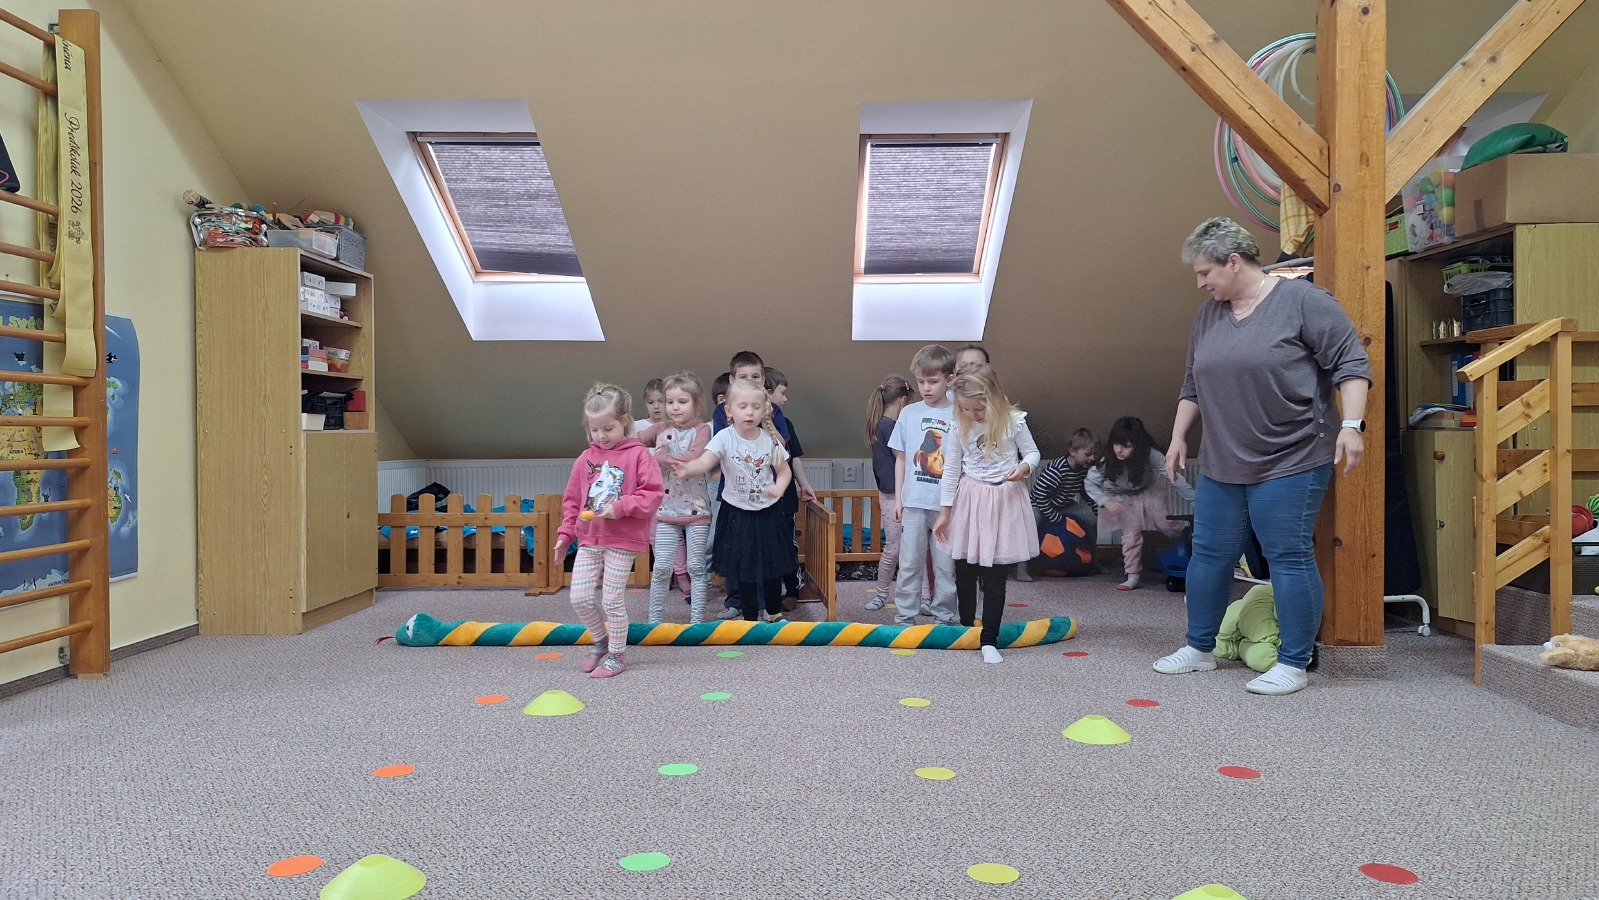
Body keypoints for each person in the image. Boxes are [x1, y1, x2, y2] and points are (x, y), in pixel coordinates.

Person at [1155, 216, 1371, 696]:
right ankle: (1199, 649)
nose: (1200, 283)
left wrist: (1351, 426)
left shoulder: (1305, 302)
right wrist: (1177, 438)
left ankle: (1293, 662)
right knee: (1209, 555)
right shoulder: (1208, 315)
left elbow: (1351, 363)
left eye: (1205, 272)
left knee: (1287, 555)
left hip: (1292, 456)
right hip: (1222, 460)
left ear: (1234, 262)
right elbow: (1193, 383)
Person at [552, 383, 665, 679]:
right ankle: (601, 643)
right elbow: (573, 501)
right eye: (594, 430)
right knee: (579, 597)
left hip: (622, 540)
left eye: (608, 428)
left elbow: (652, 494)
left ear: (624, 421)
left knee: (612, 600)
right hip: (590, 539)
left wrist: (622, 507)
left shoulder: (639, 456)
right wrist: (565, 535)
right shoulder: (584, 459)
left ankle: (617, 656)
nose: (600, 436)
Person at [932, 365, 1039, 664]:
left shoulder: (1013, 421)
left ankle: (989, 639)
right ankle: (968, 627)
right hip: (970, 499)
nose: (972, 415)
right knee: (965, 568)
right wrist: (944, 513)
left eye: (978, 409)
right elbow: (951, 471)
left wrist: (1024, 467)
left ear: (992, 399)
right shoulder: (959, 425)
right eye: (965, 409)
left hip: (1003, 499)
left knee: (994, 574)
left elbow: (1032, 453)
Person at [673, 378, 797, 623]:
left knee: (772, 566)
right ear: (729, 411)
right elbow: (705, 461)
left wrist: (779, 487)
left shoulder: (769, 439)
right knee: (744, 569)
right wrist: (688, 468)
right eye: (743, 406)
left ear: (764, 410)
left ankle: (773, 612)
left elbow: (784, 471)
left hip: (767, 512)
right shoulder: (724, 438)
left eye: (755, 407)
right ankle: (750, 618)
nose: (749, 412)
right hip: (737, 512)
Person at [888, 345, 960, 627]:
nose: (926, 388)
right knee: (909, 563)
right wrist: (898, 499)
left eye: (933, 381)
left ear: (949, 379)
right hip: (914, 502)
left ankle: (945, 617)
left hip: (946, 506)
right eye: (921, 382)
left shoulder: (959, 413)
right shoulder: (909, 413)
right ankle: (905, 616)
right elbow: (901, 459)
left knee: (945, 566)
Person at [637, 372, 713, 624]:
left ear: (696, 403)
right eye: (670, 402)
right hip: (666, 512)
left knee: (696, 567)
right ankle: (655, 622)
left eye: (682, 401)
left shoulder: (702, 430)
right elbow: (634, 444)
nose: (674, 407)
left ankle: (697, 622)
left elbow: (694, 456)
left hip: (696, 511)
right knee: (661, 568)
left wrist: (659, 458)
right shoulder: (660, 428)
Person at [1087, 416, 1192, 591]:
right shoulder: (1107, 460)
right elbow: (1090, 483)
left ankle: (1189, 544)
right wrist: (1105, 502)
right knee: (1131, 534)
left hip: (1146, 491)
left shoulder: (1151, 454)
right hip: (1120, 498)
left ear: (1137, 446)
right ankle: (1132, 575)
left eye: (1126, 446)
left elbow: (1174, 478)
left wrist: (1195, 500)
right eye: (1116, 444)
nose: (1119, 450)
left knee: (1165, 523)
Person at [764, 367, 817, 604]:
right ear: (768, 393)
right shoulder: (749, 426)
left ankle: (793, 590)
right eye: (782, 393)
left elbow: (793, 457)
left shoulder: (786, 424)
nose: (785, 399)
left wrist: (804, 485)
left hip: (785, 498)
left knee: (787, 545)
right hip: (761, 498)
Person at [865, 374, 914, 611]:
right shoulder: (890, 427)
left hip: (891, 493)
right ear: (903, 401)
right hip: (895, 495)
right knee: (898, 548)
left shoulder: (881, 424)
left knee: (902, 548)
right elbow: (903, 459)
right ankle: (882, 593)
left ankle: (887, 594)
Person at [1031, 428, 1100, 527]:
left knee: (1090, 517)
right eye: (1088, 454)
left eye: (1094, 454)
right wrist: (1055, 517)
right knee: (1033, 520)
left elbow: (1086, 492)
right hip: (1040, 505)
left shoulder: (1083, 469)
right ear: (1073, 452)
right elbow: (1039, 496)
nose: (1092, 458)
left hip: (1063, 505)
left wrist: (1097, 511)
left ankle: (1086, 538)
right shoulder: (1057, 470)